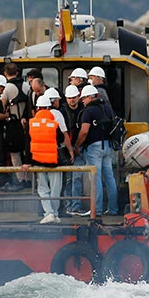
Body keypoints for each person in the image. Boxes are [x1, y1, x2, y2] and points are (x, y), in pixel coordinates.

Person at [75, 84, 119, 216]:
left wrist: (77, 145)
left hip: (94, 148)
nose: (82, 101)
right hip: (107, 146)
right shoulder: (107, 108)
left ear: (89, 97)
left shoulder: (88, 111)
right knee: (110, 178)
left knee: (95, 179)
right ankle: (113, 209)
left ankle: (97, 210)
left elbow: (84, 132)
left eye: (83, 98)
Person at [23, 95, 64, 224]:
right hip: (53, 162)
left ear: (37, 108)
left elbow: (27, 144)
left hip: (38, 161)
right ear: (49, 108)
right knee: (56, 188)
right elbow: (61, 139)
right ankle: (55, 214)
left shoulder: (31, 124)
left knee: (43, 189)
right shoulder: (54, 124)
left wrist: (26, 162)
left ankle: (49, 213)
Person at [61, 84, 87, 215]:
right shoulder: (62, 112)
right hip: (67, 149)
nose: (72, 100)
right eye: (69, 98)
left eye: (74, 97)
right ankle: (68, 205)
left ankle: (76, 206)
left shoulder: (84, 110)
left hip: (80, 147)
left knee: (77, 177)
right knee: (68, 179)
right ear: (66, 98)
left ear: (78, 97)